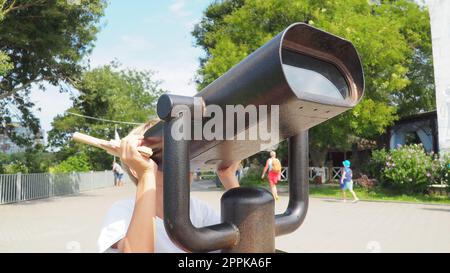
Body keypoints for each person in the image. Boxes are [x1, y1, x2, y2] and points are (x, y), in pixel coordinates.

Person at [97, 120, 240, 253]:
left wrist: (228, 177)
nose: (184, 163)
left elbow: (245, 240)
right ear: (135, 168)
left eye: (187, 154)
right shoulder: (122, 211)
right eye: (169, 156)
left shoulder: (198, 209)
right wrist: (146, 175)